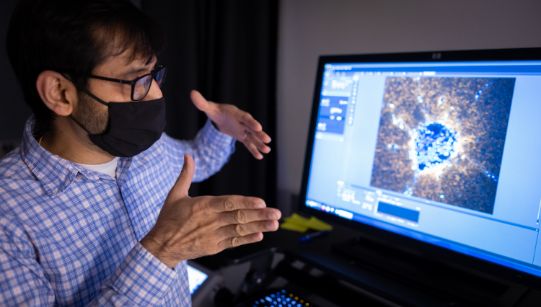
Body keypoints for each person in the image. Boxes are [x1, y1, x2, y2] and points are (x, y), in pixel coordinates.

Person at [0, 0, 281, 305]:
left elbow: (194, 162)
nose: (156, 94)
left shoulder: (145, 146)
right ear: (60, 92)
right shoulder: (8, 219)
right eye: (136, 80)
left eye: (153, 75)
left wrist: (221, 128)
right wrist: (163, 250)